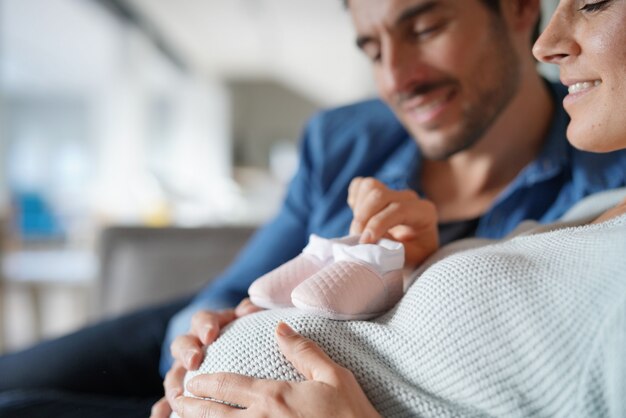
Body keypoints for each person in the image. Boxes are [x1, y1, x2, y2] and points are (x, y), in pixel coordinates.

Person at [0, 0, 624, 416]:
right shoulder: (347, 140)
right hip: (192, 341)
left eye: (425, 29)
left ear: (516, 9)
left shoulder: (605, 172)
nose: (397, 79)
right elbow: (239, 288)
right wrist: (197, 343)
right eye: (373, 50)